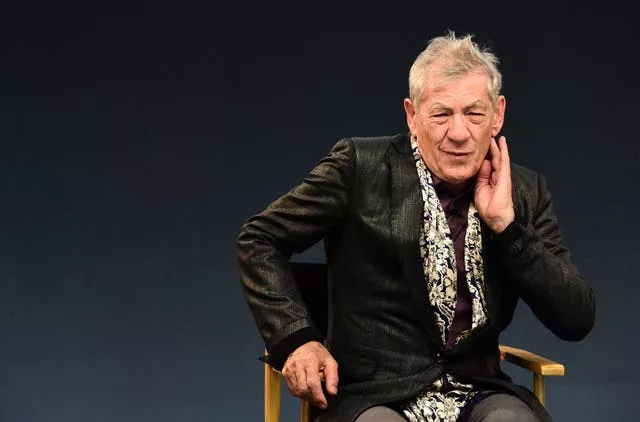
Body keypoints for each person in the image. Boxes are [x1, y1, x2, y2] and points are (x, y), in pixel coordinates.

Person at [236, 31, 595, 422]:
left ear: (498, 115)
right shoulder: (361, 167)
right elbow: (259, 240)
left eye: (474, 114)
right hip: (372, 395)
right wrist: (297, 341)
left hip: (480, 389)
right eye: (441, 114)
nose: (458, 133)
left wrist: (508, 229)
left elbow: (575, 318)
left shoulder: (524, 191)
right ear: (412, 115)